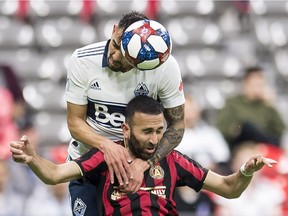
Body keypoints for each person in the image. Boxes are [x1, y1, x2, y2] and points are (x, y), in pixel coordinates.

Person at [11, 96, 276, 216]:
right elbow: (54, 174)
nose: (154, 139)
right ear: (126, 130)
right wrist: (33, 158)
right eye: (147, 131)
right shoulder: (108, 156)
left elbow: (229, 189)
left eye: (160, 130)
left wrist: (245, 172)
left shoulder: (172, 159)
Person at [65, 11, 185, 215]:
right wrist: (107, 146)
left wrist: (145, 164)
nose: (115, 56)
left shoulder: (164, 68)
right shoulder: (82, 60)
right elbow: (75, 122)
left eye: (125, 55)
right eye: (114, 44)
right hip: (89, 165)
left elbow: (177, 126)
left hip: (137, 169)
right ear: (113, 30)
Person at [215, 66, 286, 152]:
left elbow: (280, 130)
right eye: (255, 85)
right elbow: (222, 128)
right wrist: (234, 130)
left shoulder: (266, 105)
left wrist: (272, 106)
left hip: (264, 146)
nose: (258, 89)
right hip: (242, 146)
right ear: (245, 84)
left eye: (261, 85)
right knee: (247, 127)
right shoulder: (233, 103)